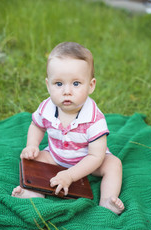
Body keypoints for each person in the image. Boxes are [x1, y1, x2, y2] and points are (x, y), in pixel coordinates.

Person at [12, 42, 124, 215]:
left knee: (114, 165)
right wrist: (32, 145)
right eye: (58, 84)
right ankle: (33, 191)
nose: (67, 91)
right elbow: (36, 125)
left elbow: (96, 156)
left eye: (76, 83)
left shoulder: (94, 119)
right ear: (48, 84)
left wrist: (70, 175)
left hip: (88, 160)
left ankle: (108, 200)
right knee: (33, 160)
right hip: (55, 156)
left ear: (91, 85)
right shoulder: (46, 108)